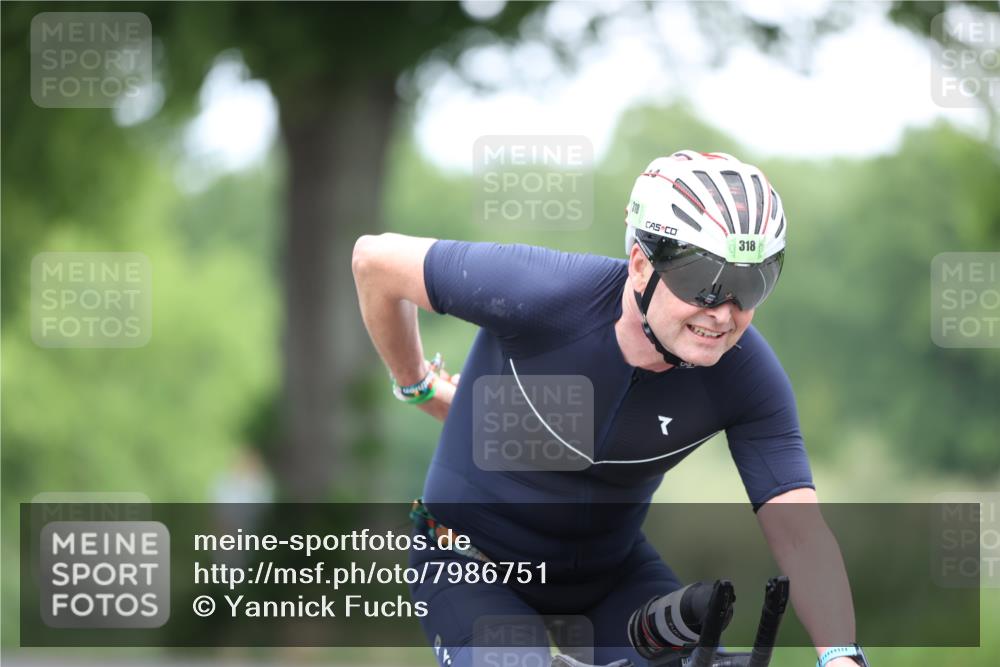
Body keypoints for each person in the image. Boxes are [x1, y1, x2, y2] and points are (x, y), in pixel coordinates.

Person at [352, 151, 868, 667]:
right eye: (704, 282)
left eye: (750, 284)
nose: (723, 313)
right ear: (642, 264)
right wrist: (417, 383)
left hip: (609, 577)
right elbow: (373, 261)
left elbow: (801, 536)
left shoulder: (747, 377)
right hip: (469, 561)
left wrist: (841, 655)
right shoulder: (541, 293)